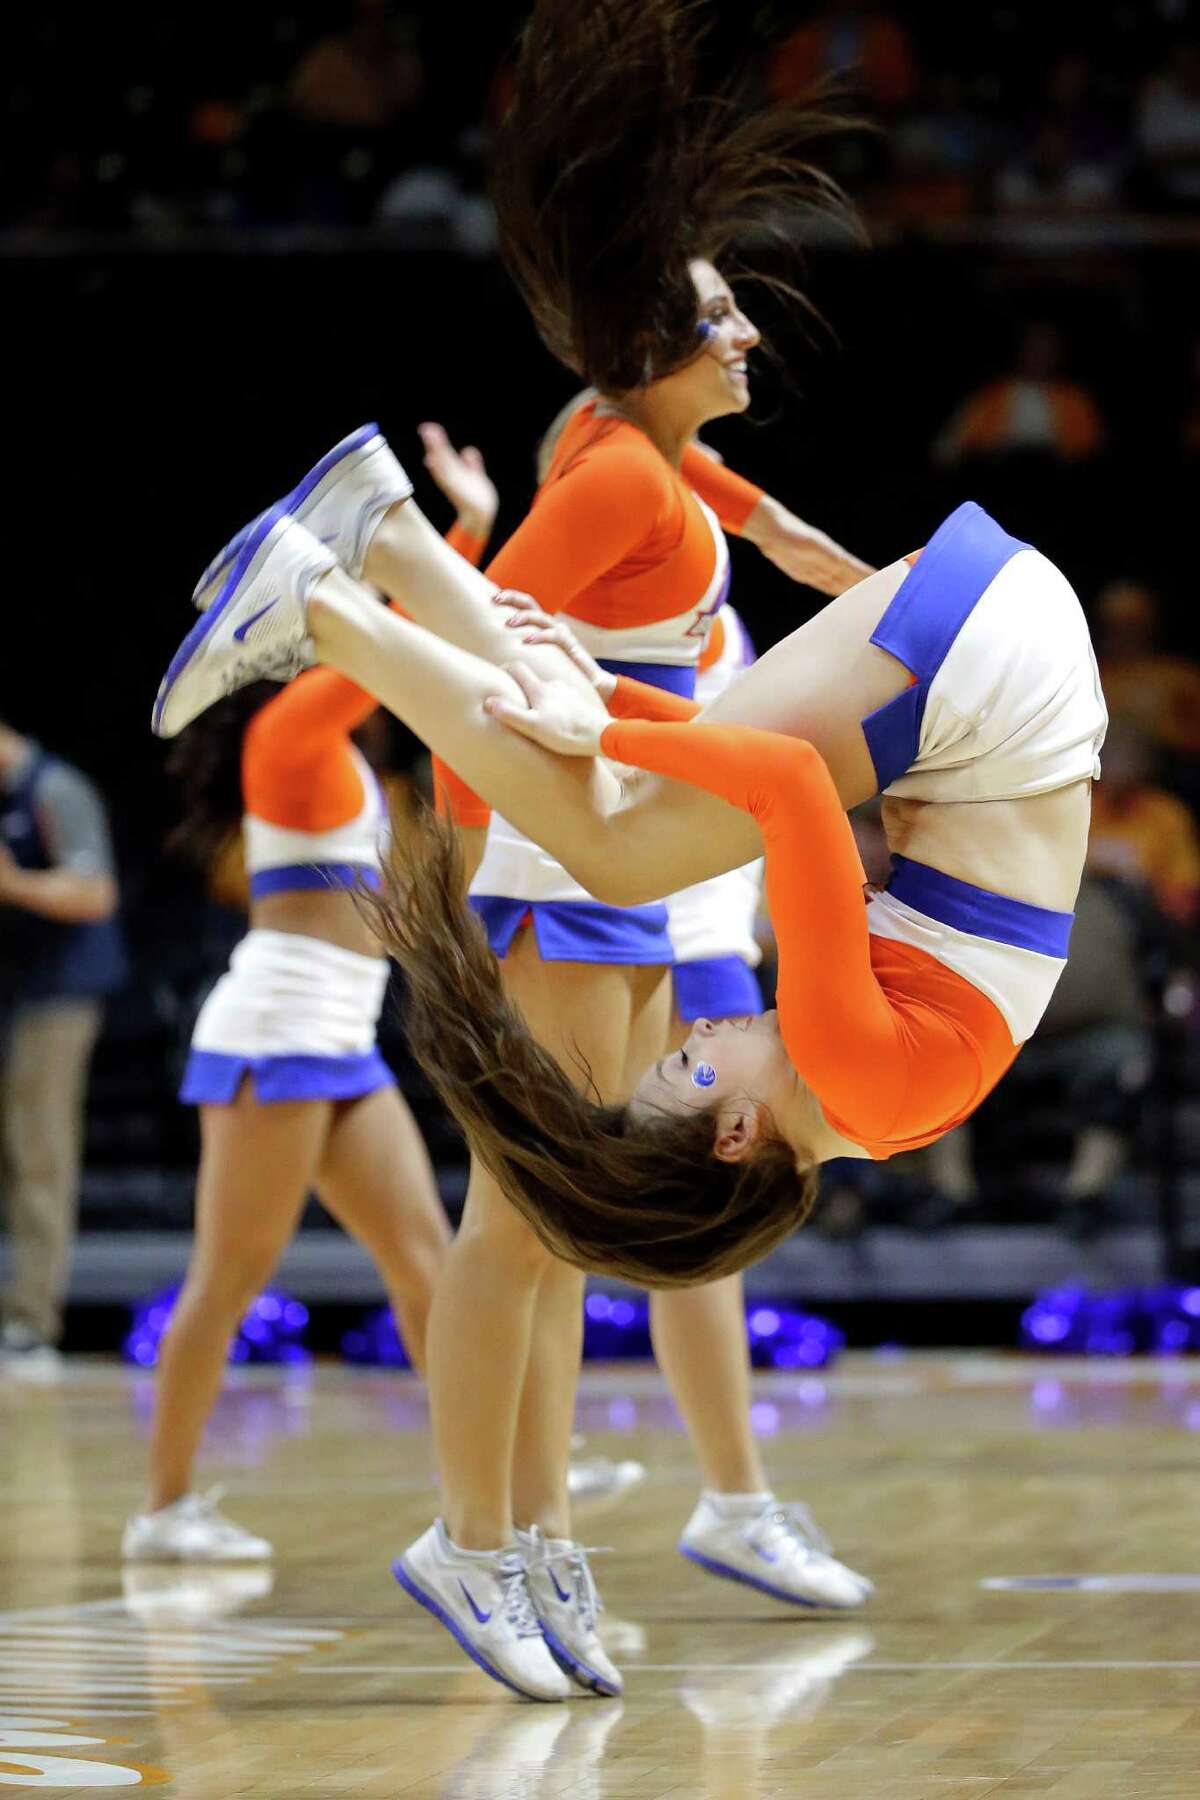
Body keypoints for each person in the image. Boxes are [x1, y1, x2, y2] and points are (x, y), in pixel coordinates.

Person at [395, 373, 870, 1704]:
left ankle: (543, 1538)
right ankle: (480, 1538)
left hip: (644, 881)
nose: (744, 331)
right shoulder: (613, 467)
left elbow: (715, 503)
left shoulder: (675, 485)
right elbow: (481, 638)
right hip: (572, 864)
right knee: (524, 1227)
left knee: (574, 1235)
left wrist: (783, 534)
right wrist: (468, 846)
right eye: (709, 307)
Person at [122, 665, 452, 1562]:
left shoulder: (342, 753)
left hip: (341, 1041)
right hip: (276, 1037)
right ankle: (163, 1510)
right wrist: (455, 537)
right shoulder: (288, 735)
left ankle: (486, 1485)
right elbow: (392, 649)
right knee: (227, 1280)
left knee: (429, 1265)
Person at [0, 723, 126, 1367]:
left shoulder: (56, 790)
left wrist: (15, 885)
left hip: (60, 998)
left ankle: (31, 1325)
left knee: (38, 1151)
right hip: (17, 992)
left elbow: (95, 892)